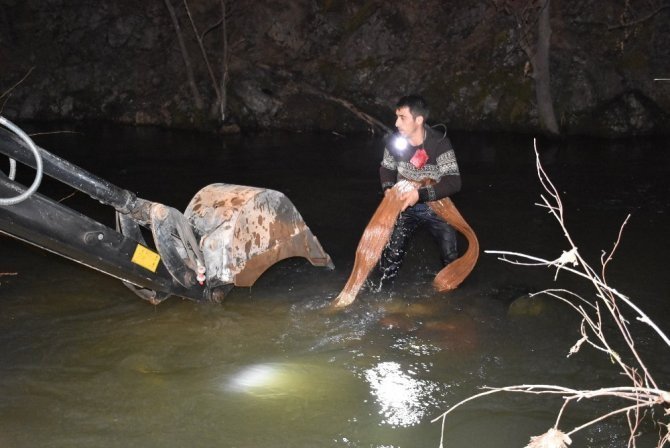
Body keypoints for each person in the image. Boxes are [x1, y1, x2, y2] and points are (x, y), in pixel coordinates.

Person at [378, 94, 461, 284]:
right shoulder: (394, 142)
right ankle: (383, 294)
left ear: (419, 120)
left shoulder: (439, 143)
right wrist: (389, 189)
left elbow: (453, 182)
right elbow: (386, 168)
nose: (397, 123)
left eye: (402, 118)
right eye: (397, 117)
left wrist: (420, 194)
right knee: (391, 257)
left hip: (436, 205)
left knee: (450, 256)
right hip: (404, 205)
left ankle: (455, 299)